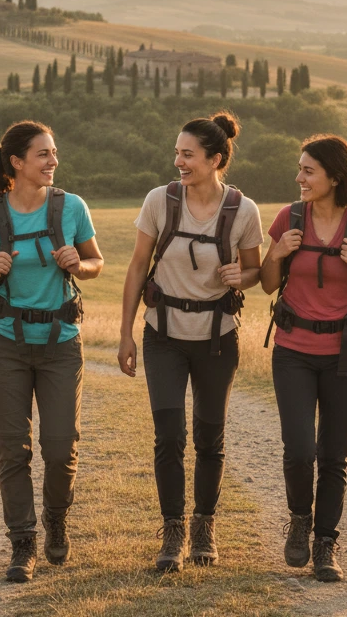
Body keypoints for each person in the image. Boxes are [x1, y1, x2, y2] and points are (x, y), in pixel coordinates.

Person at [118, 111, 262, 573]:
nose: (178, 161)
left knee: (210, 438)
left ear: (215, 159)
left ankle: (204, 526)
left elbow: (256, 271)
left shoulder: (244, 210)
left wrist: (246, 275)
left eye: (188, 154)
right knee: (169, 437)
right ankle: (172, 531)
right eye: (177, 152)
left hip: (217, 339)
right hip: (163, 335)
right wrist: (125, 334)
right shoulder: (160, 201)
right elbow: (138, 267)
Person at [0, 120, 103, 583]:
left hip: (61, 343)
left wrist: (78, 265)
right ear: (16, 162)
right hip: (6, 344)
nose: (53, 162)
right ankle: (22, 542)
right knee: (13, 449)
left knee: (61, 447)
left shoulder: (71, 207)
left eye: (54, 153)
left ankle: (56, 519)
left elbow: (96, 262)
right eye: (43, 154)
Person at [260, 134, 347, 581]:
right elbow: (265, 282)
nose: (299, 177)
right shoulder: (288, 217)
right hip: (292, 351)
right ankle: (299, 520)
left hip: (345, 355)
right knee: (299, 450)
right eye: (300, 169)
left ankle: (325, 543)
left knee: (333, 454)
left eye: (308, 170)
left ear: (335, 176)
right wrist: (275, 253)